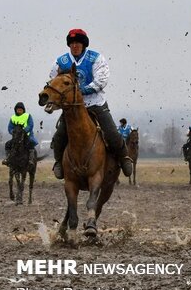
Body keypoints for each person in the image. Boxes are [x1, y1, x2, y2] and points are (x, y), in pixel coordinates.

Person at [49, 28, 133, 179]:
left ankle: (124, 157)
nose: (75, 45)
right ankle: (58, 162)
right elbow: (54, 82)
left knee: (112, 133)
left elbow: (101, 81)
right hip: (72, 107)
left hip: (95, 103)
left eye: (78, 43)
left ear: (83, 44)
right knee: (60, 135)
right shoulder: (60, 61)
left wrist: (81, 90)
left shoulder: (96, 58)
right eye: (72, 43)